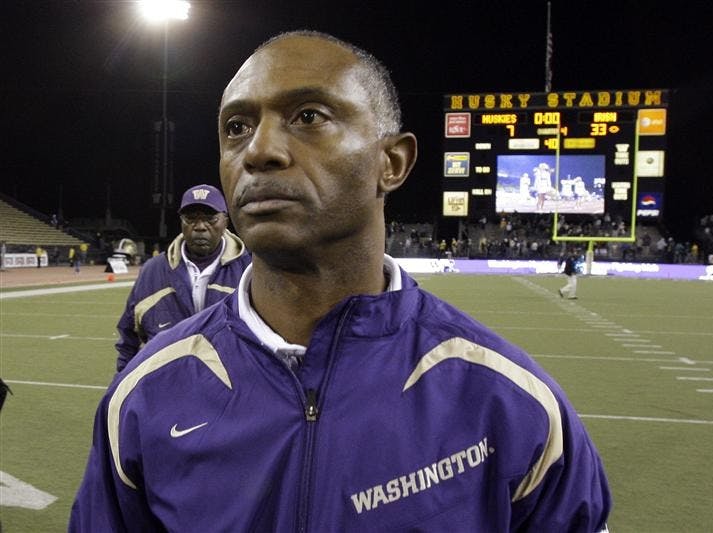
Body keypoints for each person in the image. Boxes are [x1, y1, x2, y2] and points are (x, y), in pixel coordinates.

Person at [70, 31, 611, 532]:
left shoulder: (511, 403)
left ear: (392, 162)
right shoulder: (144, 395)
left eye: (308, 116)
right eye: (236, 127)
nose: (258, 151)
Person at [112, 184, 251, 371]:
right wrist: (122, 387)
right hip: (166, 389)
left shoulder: (249, 269)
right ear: (181, 221)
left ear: (225, 220)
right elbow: (129, 340)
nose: (200, 226)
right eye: (191, 218)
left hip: (230, 392)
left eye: (210, 218)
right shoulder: (152, 271)